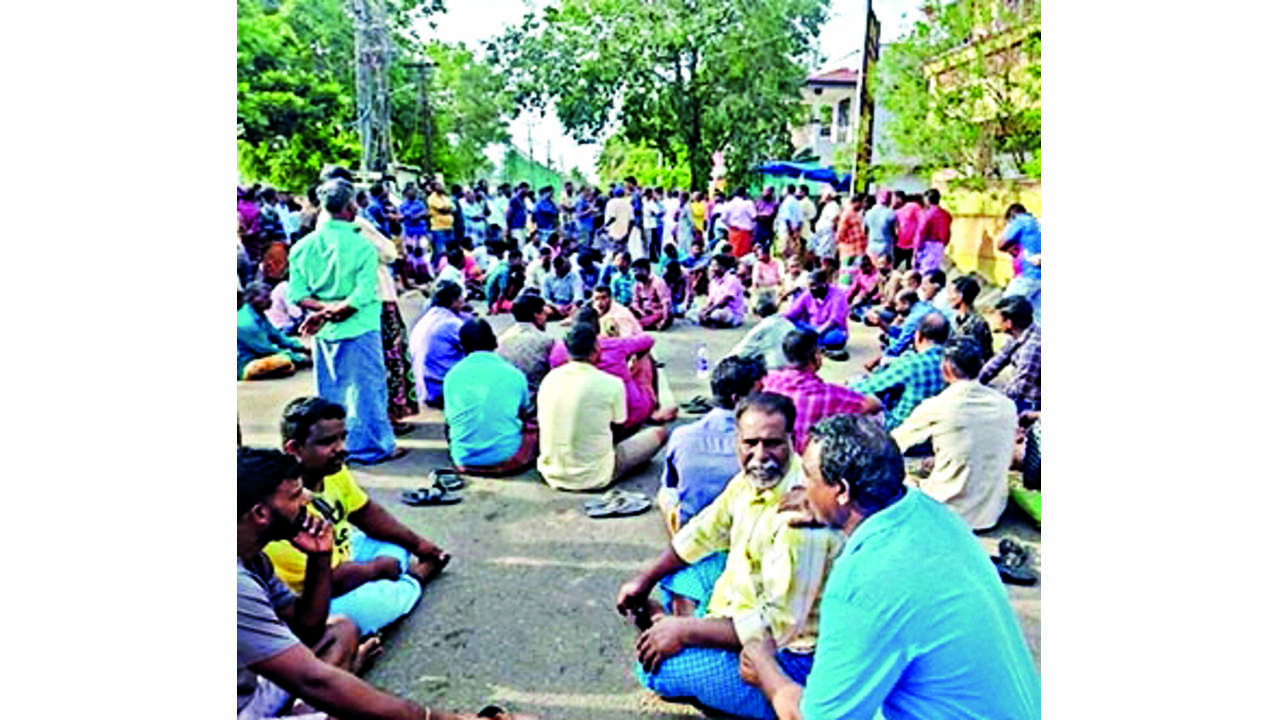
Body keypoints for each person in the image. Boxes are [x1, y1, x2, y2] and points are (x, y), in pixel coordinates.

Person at [738, 414, 1041, 720]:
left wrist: (768, 673)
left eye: (808, 477)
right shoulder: (933, 514)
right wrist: (824, 508)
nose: (802, 486)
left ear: (842, 491)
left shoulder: (861, 584)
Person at [615, 392, 845, 720]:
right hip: (744, 602)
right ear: (737, 441)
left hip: (784, 652)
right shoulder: (748, 480)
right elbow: (703, 532)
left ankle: (682, 629)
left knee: (656, 671)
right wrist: (644, 579)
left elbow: (776, 627)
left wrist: (684, 630)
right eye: (750, 443)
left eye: (773, 443)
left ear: (792, 440)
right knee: (681, 568)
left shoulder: (801, 521)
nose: (760, 455)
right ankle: (684, 625)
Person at [238, 448, 421, 720]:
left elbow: (307, 628)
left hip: (252, 691)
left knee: (341, 628)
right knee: (347, 704)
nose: (308, 499)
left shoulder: (254, 557)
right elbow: (313, 680)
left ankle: (314, 705)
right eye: (295, 495)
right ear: (261, 513)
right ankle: (324, 701)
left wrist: (320, 557)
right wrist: (432, 717)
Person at [263, 398, 449, 636]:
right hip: (312, 600)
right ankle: (414, 579)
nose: (341, 448)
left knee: (394, 542)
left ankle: (395, 574)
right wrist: (377, 568)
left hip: (343, 558)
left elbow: (367, 514)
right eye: (327, 442)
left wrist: (420, 545)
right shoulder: (283, 505)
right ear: (294, 449)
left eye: (342, 437)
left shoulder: (332, 471)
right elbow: (332, 580)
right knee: (368, 604)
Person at [288, 178, 404, 466]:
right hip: (360, 325)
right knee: (368, 388)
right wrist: (333, 310)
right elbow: (361, 296)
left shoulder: (302, 247)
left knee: (330, 389)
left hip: (322, 329)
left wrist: (322, 311)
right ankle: (374, 446)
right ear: (350, 207)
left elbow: (298, 294)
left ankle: (331, 448)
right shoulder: (362, 246)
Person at [891, 337, 1018, 530]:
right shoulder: (1007, 406)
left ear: (946, 368)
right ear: (981, 365)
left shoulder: (937, 406)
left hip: (946, 513)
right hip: (990, 514)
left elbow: (893, 444)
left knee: (897, 473)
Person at [536, 323, 669, 491]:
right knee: (660, 433)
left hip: (551, 473)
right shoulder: (612, 384)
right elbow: (618, 430)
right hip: (595, 475)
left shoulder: (549, 379)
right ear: (596, 349)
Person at [658, 355, 767, 531]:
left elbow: (671, 483)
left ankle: (678, 535)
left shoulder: (681, 435)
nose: (764, 398)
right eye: (759, 392)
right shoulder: (766, 443)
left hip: (694, 530)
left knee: (665, 494)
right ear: (737, 399)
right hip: (745, 532)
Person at [443, 319, 539, 475]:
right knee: (534, 428)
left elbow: (450, 418)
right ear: (494, 342)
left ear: (462, 346)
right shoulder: (514, 374)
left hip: (463, 457)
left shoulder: (451, 375)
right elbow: (523, 415)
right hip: (506, 456)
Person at [760, 329, 870, 452]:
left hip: (772, 453)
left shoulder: (769, 379)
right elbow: (872, 405)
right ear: (816, 357)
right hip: (805, 457)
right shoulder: (828, 394)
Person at [851, 313, 949, 430]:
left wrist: (852, 384)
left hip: (901, 426)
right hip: (934, 427)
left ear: (919, 337)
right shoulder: (953, 364)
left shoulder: (911, 364)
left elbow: (867, 387)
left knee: (856, 388)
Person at [408, 280, 467, 409]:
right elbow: (476, 348)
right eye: (461, 297)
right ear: (453, 300)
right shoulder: (451, 323)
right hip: (440, 390)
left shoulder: (427, 318)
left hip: (423, 388)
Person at [497, 293, 566, 402]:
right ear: (537, 315)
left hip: (507, 399)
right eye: (544, 313)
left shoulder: (502, 339)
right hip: (535, 401)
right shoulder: (546, 341)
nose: (546, 317)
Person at [978, 295, 1041, 413]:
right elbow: (996, 362)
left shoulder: (1032, 348)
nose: (994, 320)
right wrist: (973, 384)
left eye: (997, 317)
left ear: (1009, 323)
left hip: (1033, 404)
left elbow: (1020, 388)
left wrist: (989, 399)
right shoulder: (1016, 336)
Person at [238, 282, 312, 380]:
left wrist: (302, 347)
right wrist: (297, 357)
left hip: (257, 356)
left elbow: (278, 336)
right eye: (265, 297)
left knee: (289, 362)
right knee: (285, 361)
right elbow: (266, 349)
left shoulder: (259, 315)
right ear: (253, 299)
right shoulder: (246, 322)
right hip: (244, 363)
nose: (270, 301)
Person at [783, 270, 850, 351]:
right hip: (811, 328)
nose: (811, 289)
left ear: (824, 283)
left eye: (814, 285)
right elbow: (792, 313)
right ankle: (813, 343)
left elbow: (834, 321)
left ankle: (809, 342)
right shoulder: (807, 294)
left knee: (834, 337)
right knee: (792, 324)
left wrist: (817, 333)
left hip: (829, 331)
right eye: (809, 286)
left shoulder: (838, 295)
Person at [1000, 203, 1042, 325]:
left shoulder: (1020, 220)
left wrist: (1007, 232)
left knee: (1007, 304)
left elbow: (1001, 244)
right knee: (1037, 314)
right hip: (1039, 275)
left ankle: (1012, 336)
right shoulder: (1036, 223)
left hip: (1028, 274)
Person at [731, 297, 797, 372]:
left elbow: (740, 351)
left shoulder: (762, 327)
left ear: (758, 314)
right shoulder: (789, 325)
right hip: (795, 367)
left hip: (774, 370)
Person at [950, 275, 995, 362]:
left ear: (960, 296)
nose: (948, 298)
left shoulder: (976, 323)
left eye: (951, 293)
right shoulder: (957, 319)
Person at [699, 254, 746, 328]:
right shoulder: (713, 281)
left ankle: (712, 320)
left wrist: (709, 311)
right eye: (711, 266)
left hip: (731, 312)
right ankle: (710, 320)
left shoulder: (732, 279)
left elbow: (725, 300)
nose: (712, 268)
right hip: (715, 308)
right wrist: (705, 309)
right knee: (693, 313)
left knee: (716, 314)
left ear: (723, 267)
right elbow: (711, 300)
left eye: (715, 266)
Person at [913, 188, 952, 274]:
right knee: (932, 271)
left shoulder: (927, 214)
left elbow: (921, 232)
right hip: (939, 246)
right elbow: (948, 233)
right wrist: (943, 244)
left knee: (922, 272)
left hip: (927, 245)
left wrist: (916, 249)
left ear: (927, 199)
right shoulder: (946, 214)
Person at [629, 258, 673, 331]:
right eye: (634, 271)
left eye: (636, 271)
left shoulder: (658, 282)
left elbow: (666, 303)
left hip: (658, 313)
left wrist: (664, 320)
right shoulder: (637, 284)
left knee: (637, 324)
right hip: (644, 313)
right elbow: (635, 301)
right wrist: (638, 311)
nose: (635, 274)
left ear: (645, 270)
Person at [542, 254, 582, 319]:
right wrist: (556, 306)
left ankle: (569, 317)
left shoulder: (574, 277)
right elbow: (545, 298)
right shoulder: (546, 278)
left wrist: (571, 305)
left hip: (569, 305)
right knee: (545, 310)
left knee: (579, 311)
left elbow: (578, 295)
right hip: (554, 306)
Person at [863, 189, 896, 264]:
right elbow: (895, 232)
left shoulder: (868, 213)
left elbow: (865, 231)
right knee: (885, 272)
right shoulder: (890, 213)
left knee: (873, 272)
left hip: (872, 246)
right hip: (885, 247)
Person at [892, 190, 923, 270]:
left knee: (909, 269)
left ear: (899, 198)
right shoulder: (896, 210)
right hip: (899, 244)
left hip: (910, 245)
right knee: (894, 266)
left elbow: (921, 222)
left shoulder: (913, 207)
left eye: (894, 198)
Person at [723, 186, 757, 258]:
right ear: (744, 194)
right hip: (744, 233)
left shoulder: (728, 204)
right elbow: (754, 216)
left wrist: (729, 225)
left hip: (732, 232)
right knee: (743, 255)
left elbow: (723, 219)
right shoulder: (748, 203)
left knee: (732, 252)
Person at [834, 194, 867, 263]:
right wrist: (850, 242)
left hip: (858, 252)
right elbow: (839, 235)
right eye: (863, 202)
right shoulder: (847, 214)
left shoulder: (856, 213)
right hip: (850, 253)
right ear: (857, 202)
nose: (864, 205)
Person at [603, 187, 634, 255]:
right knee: (622, 254)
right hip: (624, 233)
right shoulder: (628, 204)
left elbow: (612, 218)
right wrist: (628, 234)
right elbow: (632, 221)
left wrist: (603, 227)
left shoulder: (611, 203)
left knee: (611, 253)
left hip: (612, 232)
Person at [810, 190, 839, 261]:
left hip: (828, 235)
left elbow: (834, 219)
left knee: (826, 255)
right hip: (822, 235)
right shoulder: (827, 205)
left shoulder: (833, 205)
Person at [776, 185, 804, 258]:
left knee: (784, 251)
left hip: (786, 230)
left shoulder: (787, 202)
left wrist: (790, 231)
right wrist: (797, 232)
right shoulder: (796, 202)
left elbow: (787, 218)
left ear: (787, 190)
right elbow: (800, 219)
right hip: (794, 231)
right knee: (793, 252)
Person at [754, 187, 778, 254]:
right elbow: (754, 214)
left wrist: (762, 216)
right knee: (757, 247)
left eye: (768, 191)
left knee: (767, 248)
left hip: (768, 229)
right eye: (765, 191)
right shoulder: (758, 202)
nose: (766, 193)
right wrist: (761, 216)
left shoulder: (774, 204)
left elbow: (772, 215)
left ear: (771, 193)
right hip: (759, 229)